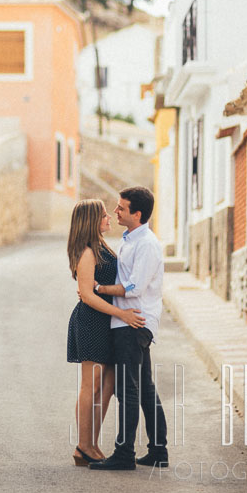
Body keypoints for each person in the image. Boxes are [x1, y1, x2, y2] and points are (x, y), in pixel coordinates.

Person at [88, 186, 169, 471]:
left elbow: (134, 287)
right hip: (129, 321)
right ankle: (158, 451)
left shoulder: (146, 244)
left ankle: (124, 454)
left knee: (128, 389)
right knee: (144, 387)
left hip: (132, 322)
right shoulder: (129, 240)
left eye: (121, 208)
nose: (115, 211)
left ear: (137, 213)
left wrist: (98, 288)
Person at [65, 199, 145, 466]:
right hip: (91, 322)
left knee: (108, 387)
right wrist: (122, 313)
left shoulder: (101, 246)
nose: (109, 217)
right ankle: (83, 446)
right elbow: (87, 295)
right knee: (92, 385)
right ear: (91, 220)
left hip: (108, 323)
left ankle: (92, 444)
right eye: (103, 215)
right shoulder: (87, 252)